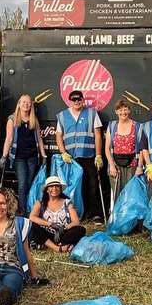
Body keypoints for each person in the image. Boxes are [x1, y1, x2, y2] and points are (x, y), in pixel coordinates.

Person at [55, 90, 104, 224]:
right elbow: (58, 135)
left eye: (79, 99)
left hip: (89, 156)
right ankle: (78, 214)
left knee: (93, 185)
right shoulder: (62, 115)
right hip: (72, 159)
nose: (76, 102)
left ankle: (96, 215)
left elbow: (98, 134)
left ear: (83, 100)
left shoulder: (92, 113)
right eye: (74, 100)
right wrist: (63, 152)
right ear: (69, 101)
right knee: (76, 187)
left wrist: (99, 155)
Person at [0, 94, 48, 215]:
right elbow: (8, 139)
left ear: (31, 105)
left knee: (30, 183)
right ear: (19, 104)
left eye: (28, 102)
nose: (26, 104)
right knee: (22, 183)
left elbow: (39, 139)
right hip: (18, 157)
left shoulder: (33, 119)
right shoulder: (12, 119)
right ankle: (22, 211)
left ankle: (30, 208)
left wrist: (44, 155)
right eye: (24, 102)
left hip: (32, 156)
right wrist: (4, 156)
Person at [29, 176, 86, 253]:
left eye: (57, 186)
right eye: (51, 186)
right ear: (47, 190)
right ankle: (56, 248)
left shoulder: (67, 202)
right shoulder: (40, 202)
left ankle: (62, 244)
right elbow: (32, 217)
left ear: (60, 189)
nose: (54, 189)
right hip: (47, 233)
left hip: (64, 234)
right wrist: (50, 224)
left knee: (81, 229)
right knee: (33, 226)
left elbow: (76, 221)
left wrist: (63, 229)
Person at [104, 99, 144, 196]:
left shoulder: (138, 126)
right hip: (116, 166)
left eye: (125, 109)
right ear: (116, 112)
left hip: (133, 166)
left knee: (132, 194)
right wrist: (112, 166)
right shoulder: (112, 126)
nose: (123, 112)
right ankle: (118, 212)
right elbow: (107, 149)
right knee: (118, 195)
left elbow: (142, 149)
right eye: (120, 110)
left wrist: (139, 167)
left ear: (129, 111)